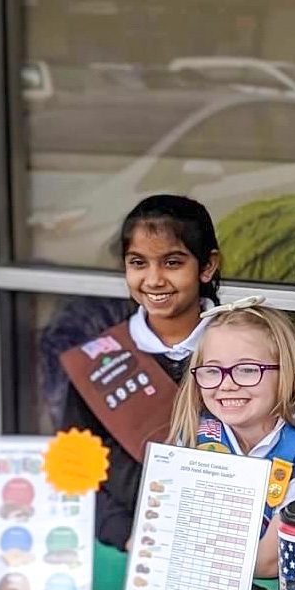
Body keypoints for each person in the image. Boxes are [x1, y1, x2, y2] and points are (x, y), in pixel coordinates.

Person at [59, 194, 220, 550]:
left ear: (206, 267)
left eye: (172, 262)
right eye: (138, 263)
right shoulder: (98, 364)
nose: (154, 279)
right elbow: (75, 470)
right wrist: (126, 535)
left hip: (232, 549)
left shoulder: (247, 350)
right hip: (131, 549)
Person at [170, 296, 295, 579]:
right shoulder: (194, 437)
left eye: (248, 370)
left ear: (287, 373)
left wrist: (189, 554)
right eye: (212, 370)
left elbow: (268, 563)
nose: (228, 384)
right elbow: (167, 529)